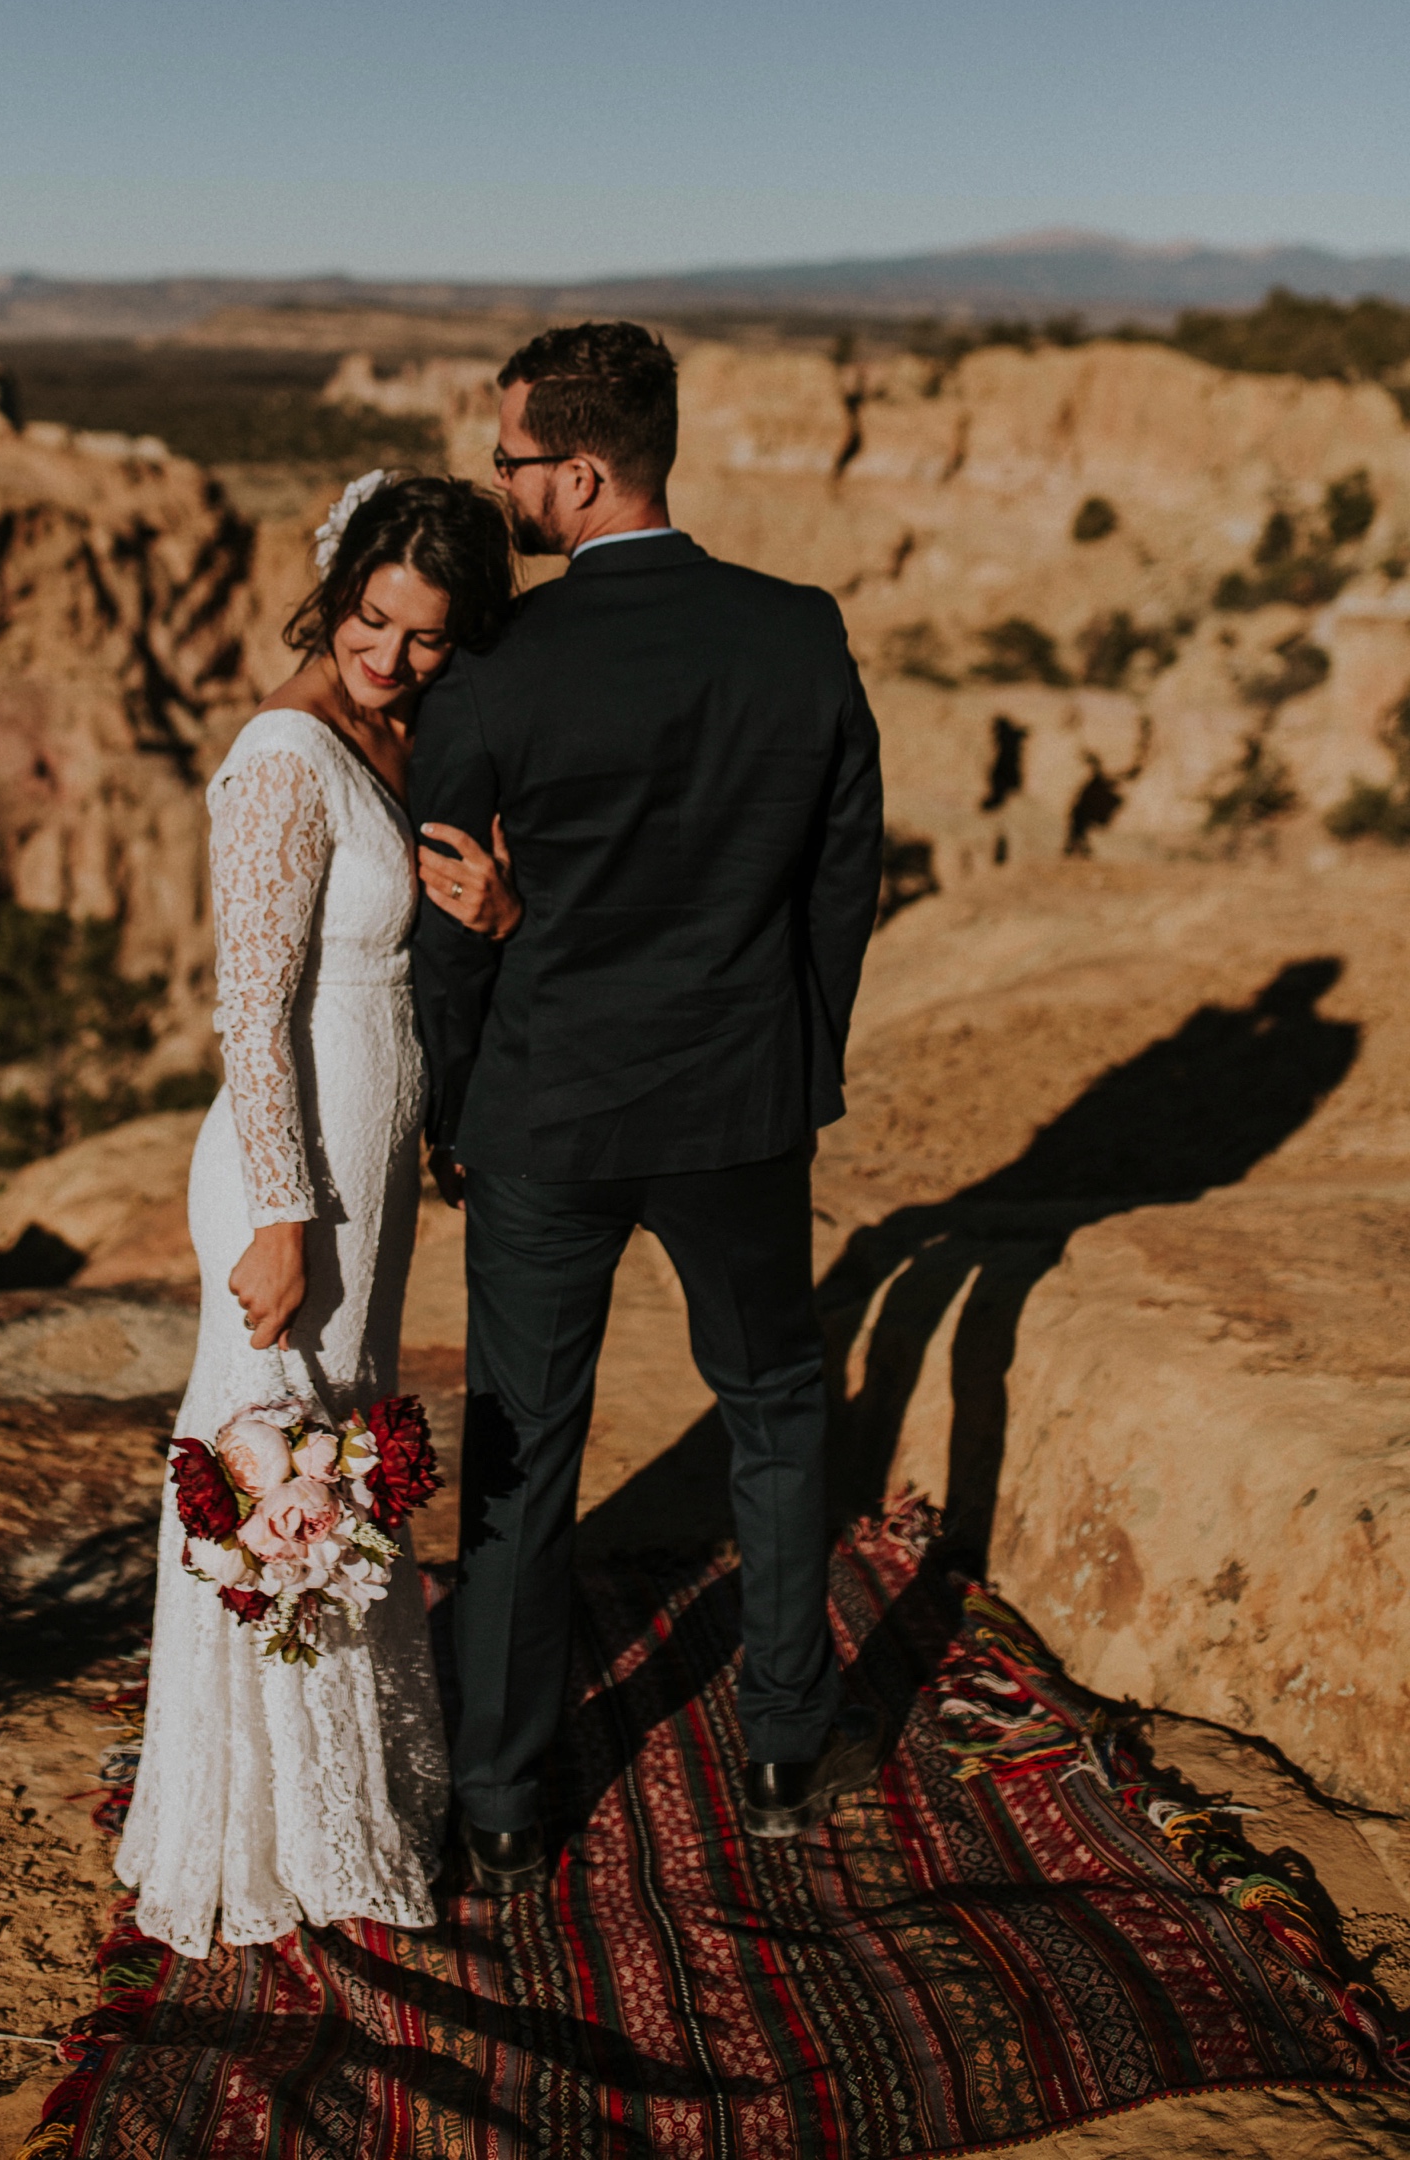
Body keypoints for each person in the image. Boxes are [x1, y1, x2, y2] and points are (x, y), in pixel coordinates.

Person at [408, 321, 885, 1896]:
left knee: (520, 1452)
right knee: (774, 1409)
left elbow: (443, 912)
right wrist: (798, 1064)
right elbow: (839, 880)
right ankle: (786, 1742)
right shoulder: (796, 632)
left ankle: (501, 1795)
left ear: (585, 471)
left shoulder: (496, 664)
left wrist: (456, 1097)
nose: (502, 488)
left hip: (548, 1111)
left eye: (514, 463)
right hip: (742, 1101)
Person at [116, 471, 518, 1956]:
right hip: (294, 1170)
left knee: (335, 1459)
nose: (391, 656)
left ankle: (337, 1802)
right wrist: (278, 1214)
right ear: (333, 588)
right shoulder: (282, 757)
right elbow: (250, 1008)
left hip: (367, 1157)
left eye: (423, 635)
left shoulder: (395, 731)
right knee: (282, 1463)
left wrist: (493, 918)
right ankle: (273, 1832)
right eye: (371, 621)